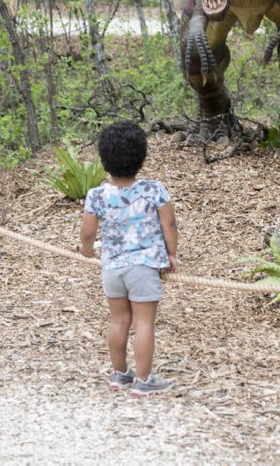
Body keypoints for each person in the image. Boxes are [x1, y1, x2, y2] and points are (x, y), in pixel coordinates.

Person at [80, 120, 178, 397]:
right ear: (142, 157)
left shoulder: (97, 195)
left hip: (112, 267)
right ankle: (144, 380)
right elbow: (169, 225)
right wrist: (171, 255)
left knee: (118, 320)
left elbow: (87, 232)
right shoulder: (154, 190)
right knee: (144, 323)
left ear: (103, 159)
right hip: (144, 268)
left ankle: (120, 374)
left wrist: (87, 252)